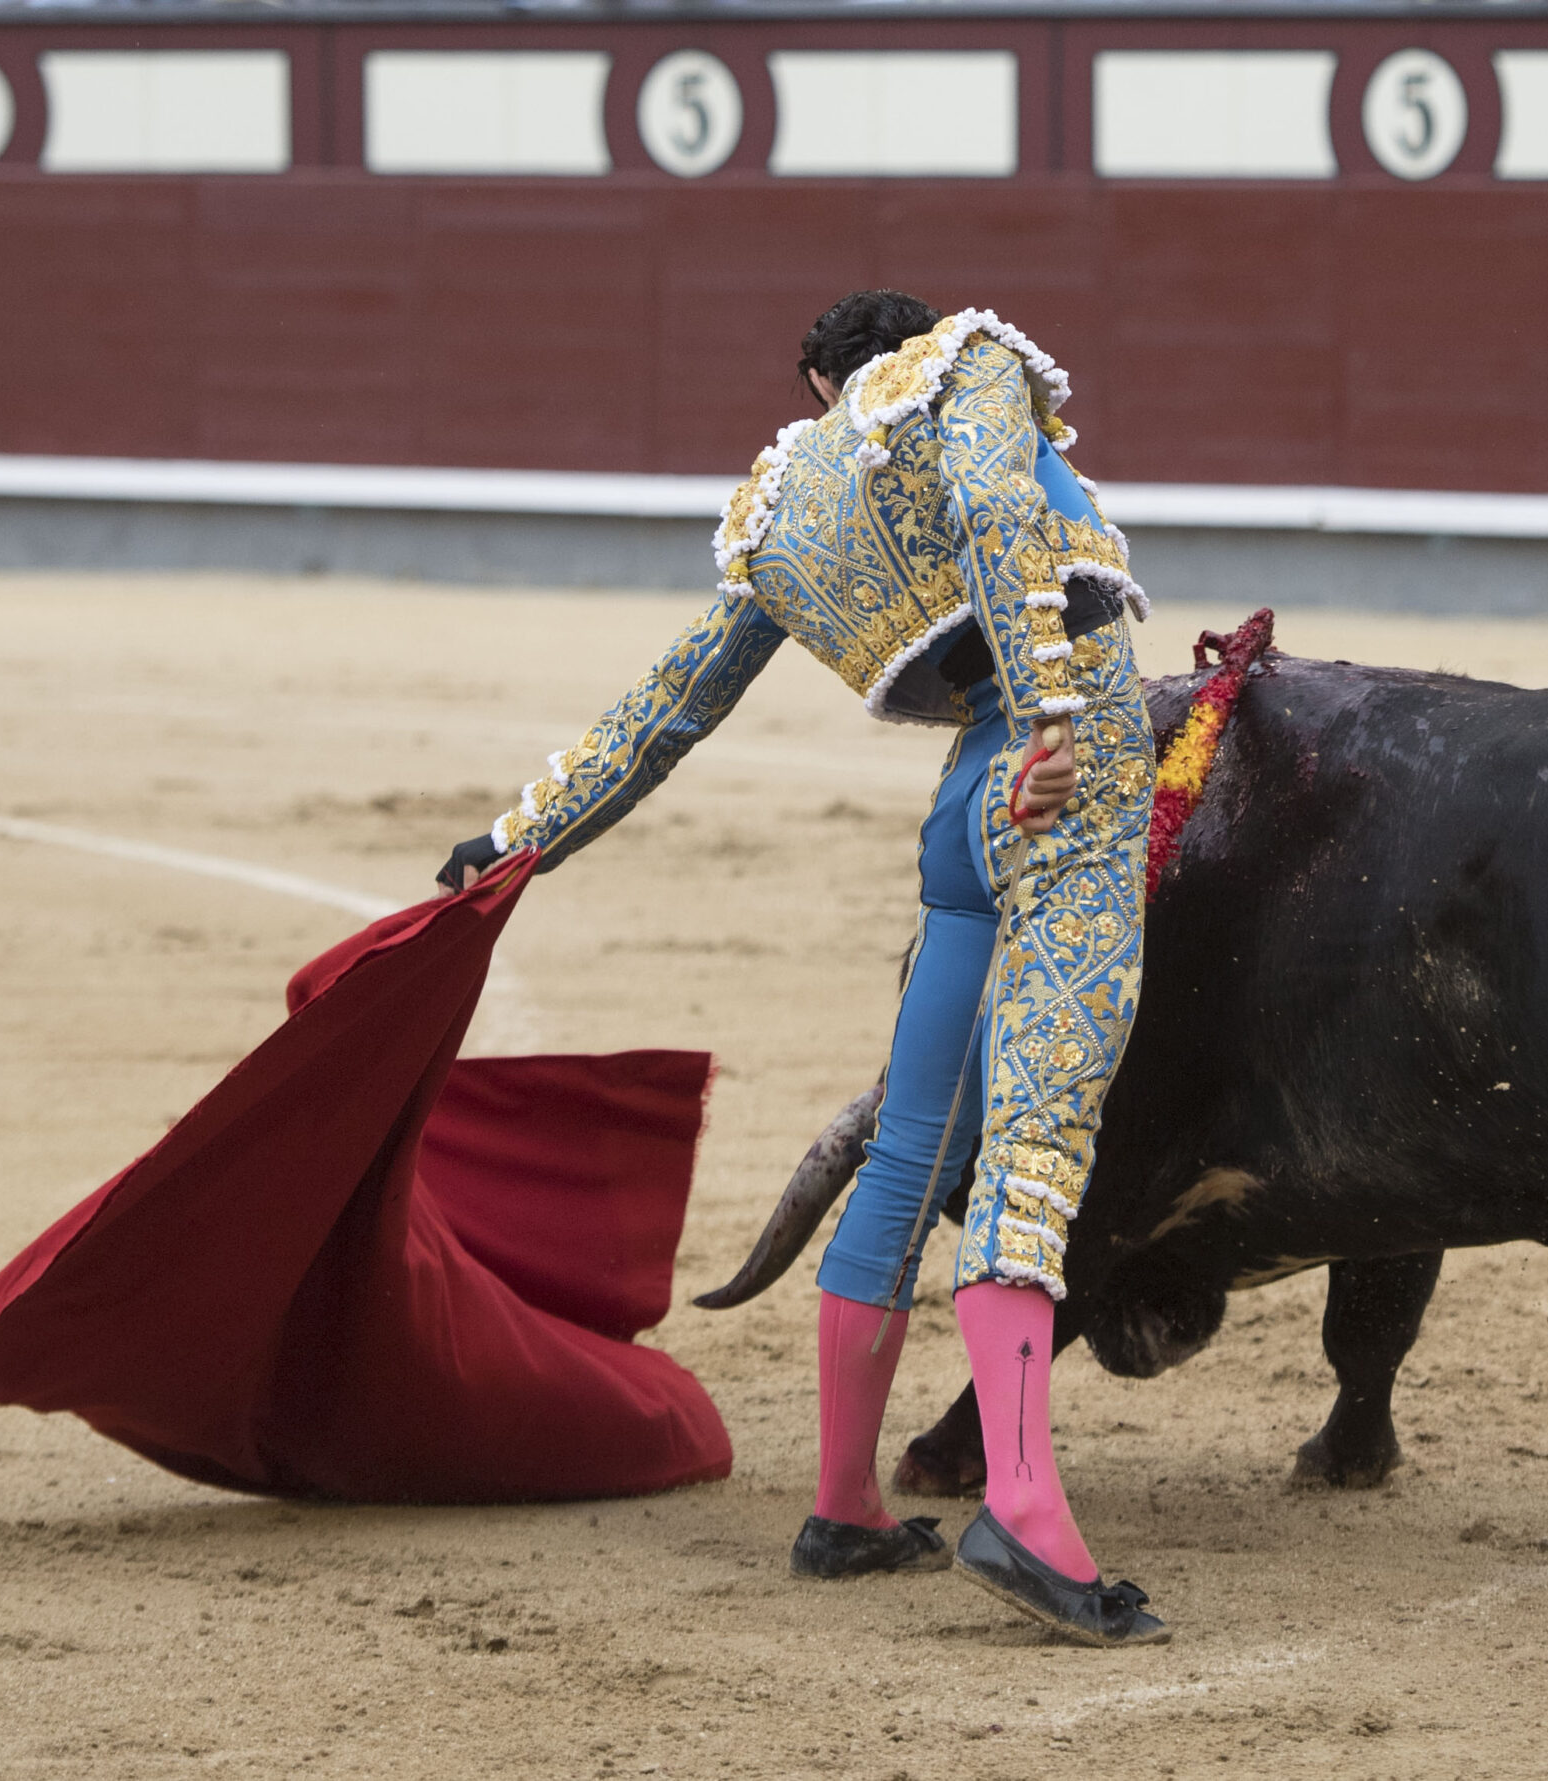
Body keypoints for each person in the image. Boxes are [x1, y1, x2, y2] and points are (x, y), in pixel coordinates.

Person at [436, 290, 1168, 1647]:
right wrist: (1056, 719)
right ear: (909, 344)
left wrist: (514, 841)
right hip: (1066, 784)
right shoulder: (972, 369)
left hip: (961, 811)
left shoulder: (782, 510)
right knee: (1035, 1140)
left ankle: (842, 1504)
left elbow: (664, 715)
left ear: (818, 384)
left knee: (907, 1149)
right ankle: (1023, 1508)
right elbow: (1006, 512)